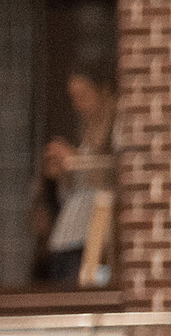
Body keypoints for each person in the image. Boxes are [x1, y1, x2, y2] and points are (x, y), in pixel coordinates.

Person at [38, 63, 115, 284]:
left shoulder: (115, 126)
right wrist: (63, 172)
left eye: (83, 96)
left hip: (93, 235)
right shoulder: (88, 130)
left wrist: (74, 159)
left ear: (103, 91)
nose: (78, 105)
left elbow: (111, 175)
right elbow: (80, 188)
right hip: (70, 234)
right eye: (74, 98)